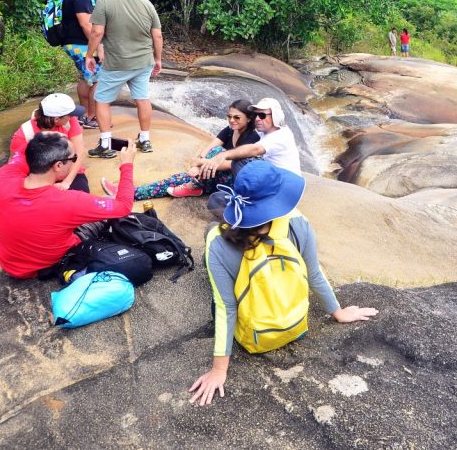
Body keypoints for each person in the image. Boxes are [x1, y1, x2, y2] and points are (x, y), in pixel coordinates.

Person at [189, 161, 377, 406]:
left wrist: (219, 370)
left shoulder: (218, 242)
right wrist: (338, 312)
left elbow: (226, 307)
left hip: (255, 337)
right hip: (296, 324)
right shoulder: (298, 222)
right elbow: (314, 273)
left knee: (211, 230)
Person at [0, 133, 137, 279]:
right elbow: (123, 207)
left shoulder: (3, 177)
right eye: (73, 158)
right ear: (58, 165)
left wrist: (45, 136)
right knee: (107, 204)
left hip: (11, 266)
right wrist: (127, 165)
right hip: (49, 264)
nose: (75, 162)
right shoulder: (69, 201)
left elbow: (23, 152)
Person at [101, 99, 260, 200]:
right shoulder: (230, 129)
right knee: (175, 179)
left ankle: (196, 186)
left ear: (249, 118)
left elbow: (230, 165)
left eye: (237, 117)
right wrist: (198, 160)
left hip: (228, 184)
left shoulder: (252, 138)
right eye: (229, 116)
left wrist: (200, 163)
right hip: (210, 173)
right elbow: (212, 144)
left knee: (217, 155)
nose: (232, 120)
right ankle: (129, 193)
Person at [85, 0, 162, 158]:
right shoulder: (147, 4)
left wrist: (89, 55)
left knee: (101, 100)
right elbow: (157, 36)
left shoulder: (105, 0)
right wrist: (158, 59)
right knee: (142, 99)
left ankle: (105, 144)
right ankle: (145, 140)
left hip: (117, 63)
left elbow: (97, 32)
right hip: (143, 61)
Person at [59, 0, 110, 128]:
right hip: (82, 43)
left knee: (85, 78)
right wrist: (98, 47)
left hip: (72, 42)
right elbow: (87, 25)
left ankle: (84, 114)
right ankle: (92, 117)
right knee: (99, 80)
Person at [199, 97, 301, 177]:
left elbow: (255, 149)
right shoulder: (263, 131)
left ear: (275, 116)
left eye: (262, 116)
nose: (257, 119)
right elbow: (215, 144)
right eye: (256, 115)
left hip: (281, 183)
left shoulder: (280, 135)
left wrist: (223, 155)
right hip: (270, 177)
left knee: (243, 161)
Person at [9, 93, 90, 192]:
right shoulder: (24, 134)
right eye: (70, 114)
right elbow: (14, 165)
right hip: (39, 176)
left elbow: (79, 152)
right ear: (56, 119)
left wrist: (67, 182)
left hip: (67, 171)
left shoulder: (71, 121)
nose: (73, 116)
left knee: (81, 194)